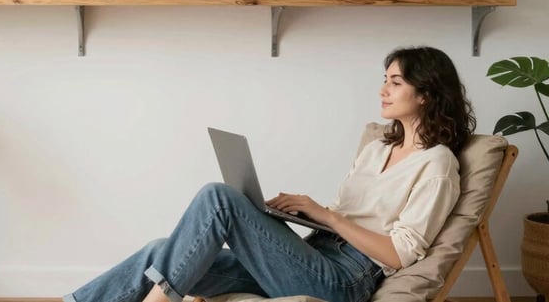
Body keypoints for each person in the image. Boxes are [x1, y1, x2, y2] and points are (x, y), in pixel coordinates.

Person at [64, 46, 476, 302]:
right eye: (384, 80)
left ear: (426, 94)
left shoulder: (437, 164)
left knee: (219, 197)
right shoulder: (377, 148)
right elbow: (344, 216)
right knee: (161, 250)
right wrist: (298, 215)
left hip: (344, 281)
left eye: (395, 82)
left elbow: (400, 254)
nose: (383, 90)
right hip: (314, 256)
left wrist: (329, 216)